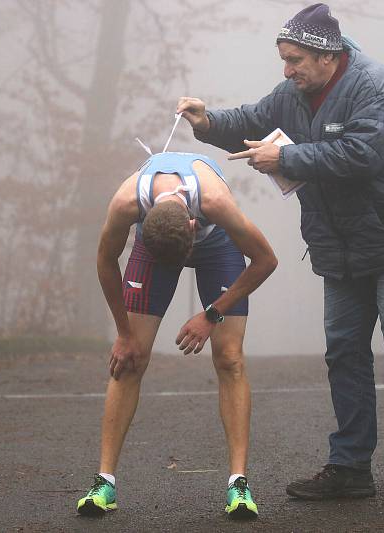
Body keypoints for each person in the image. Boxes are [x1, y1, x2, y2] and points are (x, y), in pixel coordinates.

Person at [176, 3, 384, 509]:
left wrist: (289, 157)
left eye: (294, 59)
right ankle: (351, 465)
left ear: (327, 55)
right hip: (338, 243)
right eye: (283, 58)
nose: (287, 69)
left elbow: (364, 154)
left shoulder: (374, 86)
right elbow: (251, 119)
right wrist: (207, 120)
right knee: (343, 350)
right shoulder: (294, 93)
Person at [76, 151, 277, 519]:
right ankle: (104, 481)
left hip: (218, 246)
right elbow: (105, 261)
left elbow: (266, 261)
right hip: (154, 247)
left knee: (229, 358)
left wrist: (212, 314)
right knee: (130, 359)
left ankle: (238, 484)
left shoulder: (215, 202)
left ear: (190, 224)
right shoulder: (126, 203)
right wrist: (123, 332)